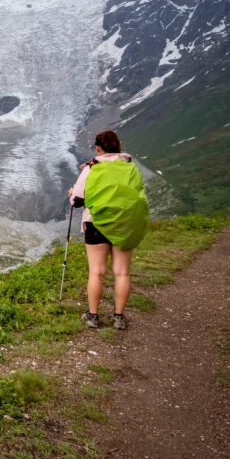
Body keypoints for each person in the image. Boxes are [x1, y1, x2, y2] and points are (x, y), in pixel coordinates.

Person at [67, 130, 143, 330]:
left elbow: (77, 200)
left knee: (97, 271)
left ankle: (93, 316)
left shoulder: (92, 168)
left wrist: (71, 193)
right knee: (122, 272)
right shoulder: (130, 167)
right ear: (118, 146)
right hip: (125, 223)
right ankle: (119, 317)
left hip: (96, 222)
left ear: (98, 148)